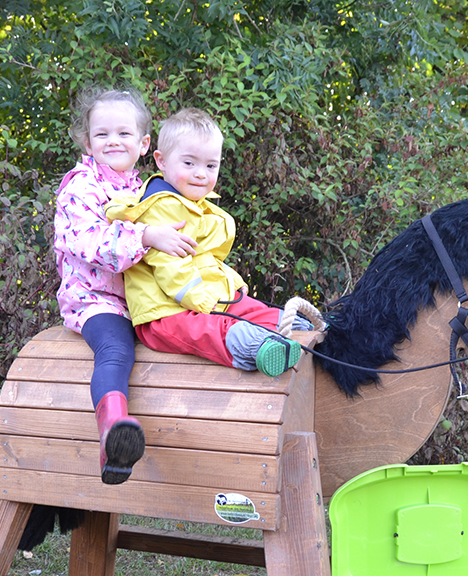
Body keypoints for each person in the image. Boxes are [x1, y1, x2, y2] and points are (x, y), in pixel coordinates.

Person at [53, 88, 198, 485]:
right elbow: (90, 244)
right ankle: (112, 432)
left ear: (144, 143)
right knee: (115, 349)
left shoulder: (146, 189)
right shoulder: (80, 188)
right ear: (87, 141)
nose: (113, 141)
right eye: (102, 135)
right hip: (97, 300)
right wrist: (148, 235)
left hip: (144, 300)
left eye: (123, 134)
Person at [106, 108, 305, 377]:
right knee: (208, 330)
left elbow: (206, 261)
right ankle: (253, 347)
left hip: (199, 298)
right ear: (161, 161)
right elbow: (171, 269)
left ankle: (294, 326)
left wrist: (231, 289)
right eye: (189, 164)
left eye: (211, 166)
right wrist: (210, 302)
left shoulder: (197, 205)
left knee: (252, 308)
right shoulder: (161, 208)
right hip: (164, 314)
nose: (201, 174)